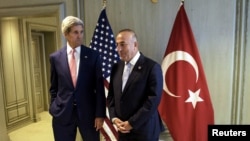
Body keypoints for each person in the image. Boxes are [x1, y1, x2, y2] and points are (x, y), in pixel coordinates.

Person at [49, 16, 106, 141]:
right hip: (62, 114)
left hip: (88, 114)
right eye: (75, 32)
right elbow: (54, 88)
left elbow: (99, 88)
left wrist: (100, 114)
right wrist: (53, 108)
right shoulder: (55, 58)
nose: (79, 36)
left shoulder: (93, 56)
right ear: (66, 34)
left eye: (81, 32)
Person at [107, 28, 165, 141]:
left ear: (135, 45)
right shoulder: (116, 67)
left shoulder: (152, 67)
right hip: (123, 130)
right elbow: (111, 97)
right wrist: (114, 118)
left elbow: (153, 100)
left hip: (144, 130)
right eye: (117, 45)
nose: (118, 49)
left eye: (122, 44)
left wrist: (132, 123)